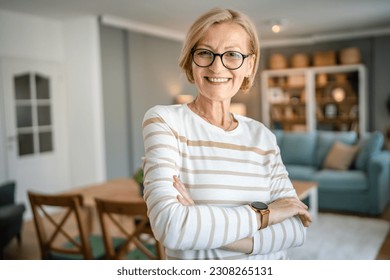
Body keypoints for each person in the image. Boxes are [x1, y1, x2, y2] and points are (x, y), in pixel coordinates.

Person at [142, 7, 311, 260]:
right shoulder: (166, 121)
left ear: (249, 64)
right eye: (205, 53)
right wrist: (268, 214)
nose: (217, 66)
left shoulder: (262, 136)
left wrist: (203, 224)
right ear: (191, 59)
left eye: (232, 54)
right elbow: (172, 227)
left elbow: (296, 230)